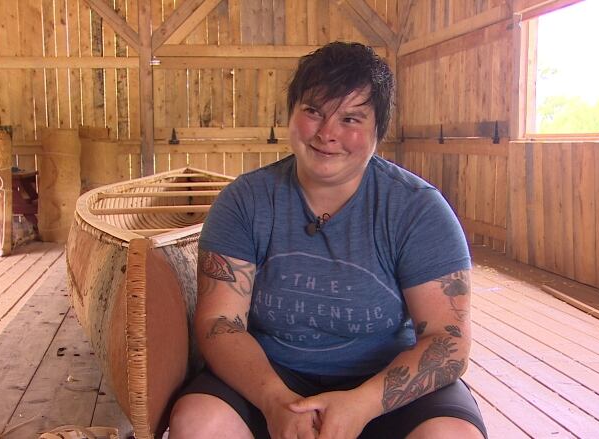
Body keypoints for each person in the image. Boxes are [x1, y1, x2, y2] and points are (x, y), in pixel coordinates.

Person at [168, 41, 487, 439]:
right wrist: (275, 401)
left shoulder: (417, 210)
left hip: (384, 383)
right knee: (198, 422)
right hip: (269, 375)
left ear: (378, 131)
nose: (327, 134)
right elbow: (220, 323)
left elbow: (448, 340)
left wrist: (362, 405)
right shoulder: (246, 201)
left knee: (451, 436)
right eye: (313, 112)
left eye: (351, 119)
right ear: (291, 115)